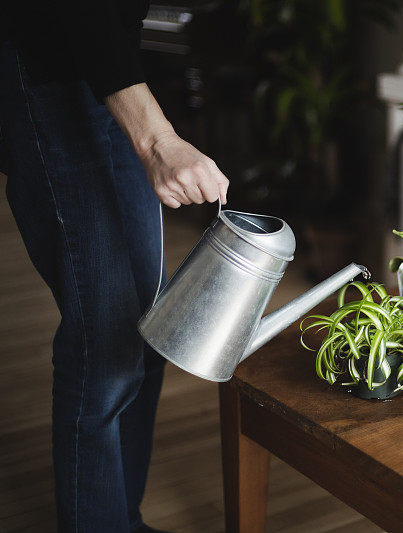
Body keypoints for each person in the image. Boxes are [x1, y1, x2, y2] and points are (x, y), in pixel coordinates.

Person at [0, 1, 229, 531]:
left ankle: (120, 519)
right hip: (45, 71)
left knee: (148, 330)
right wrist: (158, 139)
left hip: (112, 75)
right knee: (103, 339)